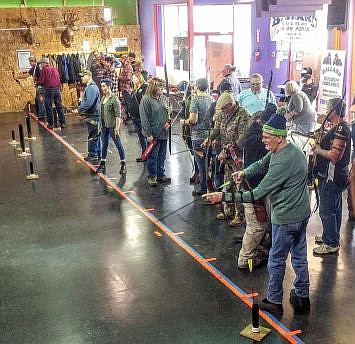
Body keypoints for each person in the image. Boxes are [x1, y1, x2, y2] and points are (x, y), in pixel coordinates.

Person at [205, 113, 311, 316]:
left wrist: (224, 197)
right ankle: (302, 297)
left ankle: (274, 300)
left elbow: (257, 193)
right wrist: (244, 172)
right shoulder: (287, 151)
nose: (263, 140)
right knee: (299, 257)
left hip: (286, 218)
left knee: (276, 259)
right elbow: (261, 164)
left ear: (279, 137)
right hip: (301, 215)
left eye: (267, 137)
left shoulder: (282, 162)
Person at [236, 103, 277, 269]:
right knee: (256, 227)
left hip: (253, 185)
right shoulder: (258, 139)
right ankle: (245, 260)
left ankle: (262, 248)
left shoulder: (253, 130)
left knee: (260, 223)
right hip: (253, 187)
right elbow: (262, 164)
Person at [203, 91, 251, 227]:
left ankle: (239, 215)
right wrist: (209, 139)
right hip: (227, 157)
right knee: (227, 183)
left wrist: (227, 149)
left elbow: (243, 138)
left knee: (239, 186)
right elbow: (217, 128)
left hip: (238, 157)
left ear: (231, 105)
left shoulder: (243, 115)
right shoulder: (224, 114)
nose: (222, 111)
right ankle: (228, 211)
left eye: (224, 108)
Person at [313, 98, 351, 255]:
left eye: (328, 108)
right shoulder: (339, 127)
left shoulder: (341, 129)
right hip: (334, 175)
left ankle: (331, 243)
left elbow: (335, 156)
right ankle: (331, 235)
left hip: (332, 176)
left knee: (327, 209)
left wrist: (317, 150)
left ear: (333, 111)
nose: (326, 111)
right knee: (334, 208)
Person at [180, 78, 213, 195]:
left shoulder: (195, 100)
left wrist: (183, 122)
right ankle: (208, 185)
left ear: (197, 87)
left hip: (198, 136)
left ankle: (203, 188)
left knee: (201, 163)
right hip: (209, 135)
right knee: (207, 162)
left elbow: (193, 120)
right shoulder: (211, 99)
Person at [139, 78, 171, 187]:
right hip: (153, 133)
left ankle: (161, 174)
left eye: (162, 86)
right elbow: (144, 118)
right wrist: (148, 134)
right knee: (153, 156)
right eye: (160, 86)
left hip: (164, 132)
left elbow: (166, 113)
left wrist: (168, 113)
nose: (162, 88)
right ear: (154, 87)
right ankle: (152, 176)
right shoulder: (146, 100)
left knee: (162, 155)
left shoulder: (163, 98)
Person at [96, 79, 127, 175]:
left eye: (104, 86)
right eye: (102, 86)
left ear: (109, 87)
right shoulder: (103, 98)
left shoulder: (114, 99)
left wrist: (117, 128)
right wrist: (99, 126)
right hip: (104, 126)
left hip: (112, 126)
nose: (102, 88)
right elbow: (101, 114)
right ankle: (103, 163)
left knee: (118, 145)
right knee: (104, 144)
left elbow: (118, 115)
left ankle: (123, 164)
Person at [72, 70, 101, 162]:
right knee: (95, 134)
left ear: (89, 76)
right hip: (92, 114)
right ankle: (97, 153)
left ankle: (93, 154)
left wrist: (79, 110)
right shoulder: (90, 87)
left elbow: (89, 103)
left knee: (93, 135)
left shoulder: (91, 88)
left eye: (83, 76)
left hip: (93, 115)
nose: (81, 78)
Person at [37, 57, 66, 129]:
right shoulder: (54, 68)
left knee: (48, 106)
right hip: (57, 89)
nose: (41, 65)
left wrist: (38, 83)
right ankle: (62, 123)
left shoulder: (44, 70)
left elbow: (42, 81)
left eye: (41, 64)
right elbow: (58, 79)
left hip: (49, 89)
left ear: (44, 63)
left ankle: (50, 124)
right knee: (59, 106)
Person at [129, 80, 148, 161]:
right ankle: (144, 154)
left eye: (135, 78)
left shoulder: (144, 87)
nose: (133, 79)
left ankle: (147, 154)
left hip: (140, 117)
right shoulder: (136, 89)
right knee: (141, 137)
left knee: (145, 136)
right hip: (135, 116)